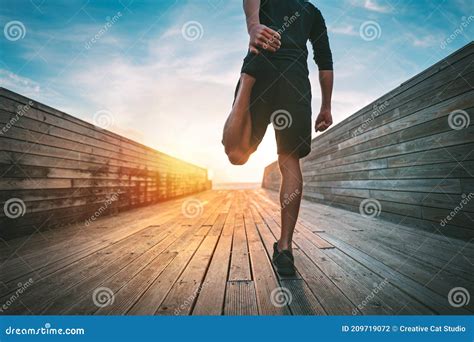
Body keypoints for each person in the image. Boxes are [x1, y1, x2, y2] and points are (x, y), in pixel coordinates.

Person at [222, 0, 334, 275]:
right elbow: (325, 61)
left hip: (260, 65)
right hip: (294, 82)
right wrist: (326, 106)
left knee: (236, 154)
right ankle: (285, 247)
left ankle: (245, 83)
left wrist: (253, 28)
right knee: (289, 161)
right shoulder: (312, 12)